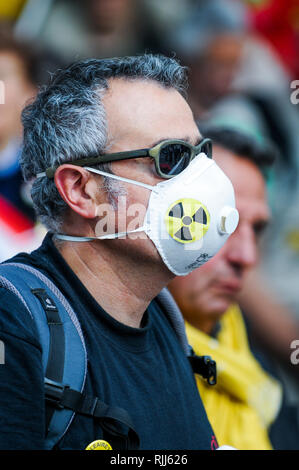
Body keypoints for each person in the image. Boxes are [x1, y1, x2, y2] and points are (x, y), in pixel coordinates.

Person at [0, 54, 238, 450]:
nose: (203, 182)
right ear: (80, 190)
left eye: (202, 154)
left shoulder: (165, 317)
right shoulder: (14, 328)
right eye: (171, 157)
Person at [168, 127, 299, 450]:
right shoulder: (115, 365)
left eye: (256, 229)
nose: (246, 257)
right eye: (222, 222)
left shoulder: (246, 350)